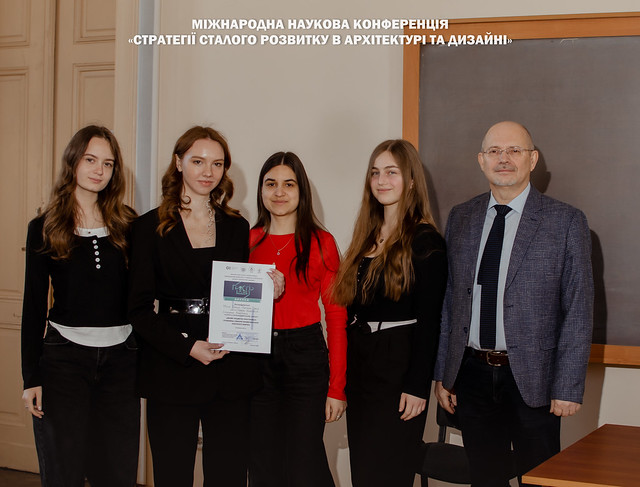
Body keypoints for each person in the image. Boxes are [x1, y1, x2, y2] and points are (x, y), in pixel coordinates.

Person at [434, 121, 594, 487]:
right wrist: (445, 372)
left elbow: (579, 310)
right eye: (494, 151)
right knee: (484, 479)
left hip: (534, 380)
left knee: (539, 480)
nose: (503, 159)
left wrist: (567, 387)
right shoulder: (461, 217)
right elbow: (450, 301)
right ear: (481, 160)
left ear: (532, 159)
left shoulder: (566, 221)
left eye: (514, 150)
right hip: (472, 375)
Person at [128, 126, 284, 487]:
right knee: (172, 475)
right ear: (178, 163)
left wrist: (269, 289)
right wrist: (187, 347)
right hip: (171, 366)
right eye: (197, 161)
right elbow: (138, 310)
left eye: (217, 163)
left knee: (229, 475)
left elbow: (240, 293)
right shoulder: (147, 227)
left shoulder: (236, 226)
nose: (207, 172)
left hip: (231, 368)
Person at [21, 125, 139, 487]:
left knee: (116, 473)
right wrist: (31, 378)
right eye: (90, 159)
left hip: (121, 362)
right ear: (73, 161)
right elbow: (33, 306)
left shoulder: (129, 224)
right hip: (63, 363)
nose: (99, 170)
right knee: (63, 473)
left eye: (108, 163)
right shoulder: (44, 226)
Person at [333, 139, 447, 487]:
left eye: (391, 172)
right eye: (375, 173)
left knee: (389, 474)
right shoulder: (365, 236)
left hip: (399, 371)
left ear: (411, 181)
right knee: (364, 473)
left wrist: (417, 387)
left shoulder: (426, 241)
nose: (381, 181)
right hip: (361, 366)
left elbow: (431, 323)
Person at [248, 152, 347, 487]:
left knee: (305, 462)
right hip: (257, 358)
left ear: (301, 191)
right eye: (271, 184)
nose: (279, 192)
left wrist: (337, 387)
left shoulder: (321, 242)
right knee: (262, 461)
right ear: (261, 190)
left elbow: (336, 318)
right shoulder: (248, 241)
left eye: (288, 184)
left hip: (306, 357)